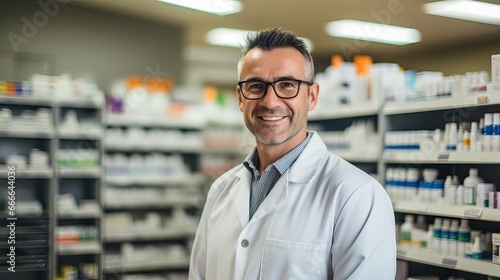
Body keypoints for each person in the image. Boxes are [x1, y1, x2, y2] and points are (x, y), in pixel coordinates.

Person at [189, 27, 396, 280]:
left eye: (287, 85)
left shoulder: (357, 195)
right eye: (256, 86)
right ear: (240, 98)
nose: (270, 101)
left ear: (311, 96)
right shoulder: (220, 190)